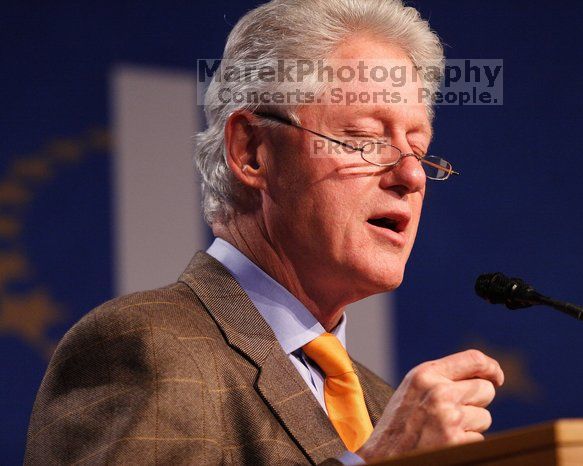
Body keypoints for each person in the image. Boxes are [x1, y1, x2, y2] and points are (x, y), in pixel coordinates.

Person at [25, 0, 504, 464]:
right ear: (253, 151)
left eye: (418, 150)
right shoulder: (143, 346)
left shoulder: (381, 404)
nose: (412, 177)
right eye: (366, 140)